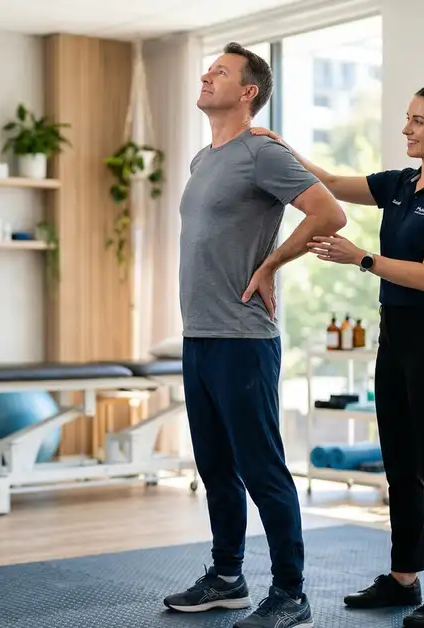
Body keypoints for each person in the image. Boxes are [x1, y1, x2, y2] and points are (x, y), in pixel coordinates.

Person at [251, 82, 424, 628]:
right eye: (408, 118)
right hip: (396, 335)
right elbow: (332, 183)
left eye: (419, 121)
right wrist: (281, 146)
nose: (407, 129)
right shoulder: (401, 184)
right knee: (399, 464)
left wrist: (361, 258)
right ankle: (404, 579)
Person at [162, 42, 346, 628]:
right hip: (199, 334)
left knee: (262, 468)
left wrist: (272, 264)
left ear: (248, 92)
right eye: (207, 68)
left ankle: (291, 593)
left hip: (243, 338)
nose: (206, 75)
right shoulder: (203, 159)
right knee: (215, 466)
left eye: (219, 71)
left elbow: (329, 213)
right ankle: (227, 577)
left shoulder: (261, 153)